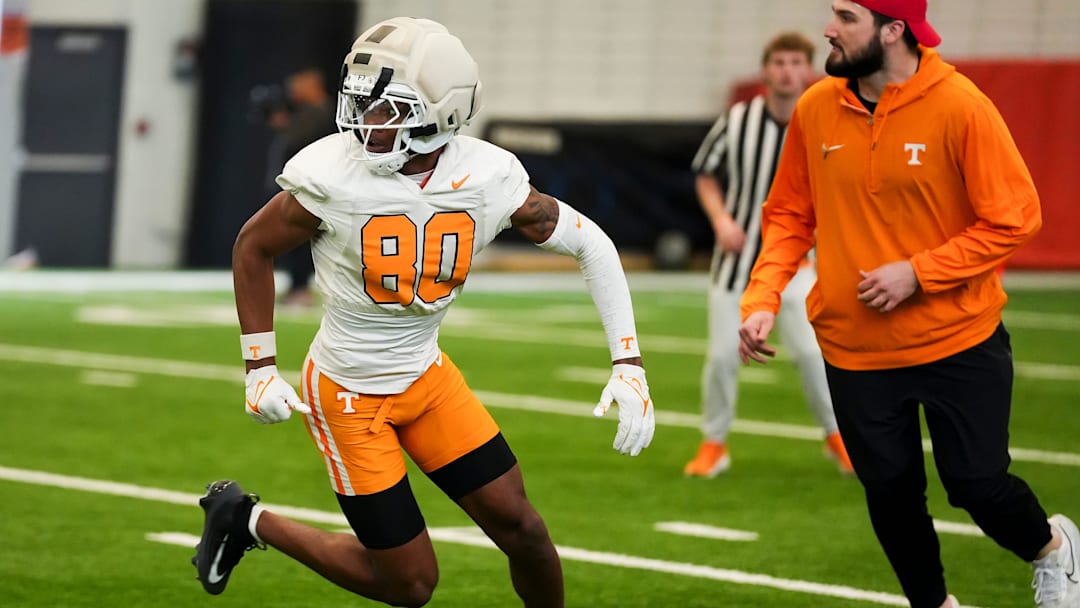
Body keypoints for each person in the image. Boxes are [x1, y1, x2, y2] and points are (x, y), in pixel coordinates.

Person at [192, 17, 655, 608]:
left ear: (443, 113)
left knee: (525, 532)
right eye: (360, 102)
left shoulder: (488, 177)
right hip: (348, 393)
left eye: (386, 108)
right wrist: (259, 367)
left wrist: (628, 362)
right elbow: (252, 246)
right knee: (411, 585)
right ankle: (246, 520)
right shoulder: (330, 174)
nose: (365, 122)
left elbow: (592, 243)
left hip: (427, 379)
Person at [737, 1, 1078, 607]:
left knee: (976, 483)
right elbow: (790, 213)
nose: (828, 29)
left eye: (845, 17)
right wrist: (762, 297)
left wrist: (919, 274)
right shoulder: (817, 108)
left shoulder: (961, 105)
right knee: (890, 491)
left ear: (893, 30)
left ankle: (1053, 549)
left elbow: (1015, 217)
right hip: (853, 348)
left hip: (958, 338)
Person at [684, 31, 852, 478]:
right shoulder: (739, 119)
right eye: (779, 62)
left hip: (797, 261)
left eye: (796, 62)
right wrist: (721, 220)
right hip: (737, 263)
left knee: (815, 353)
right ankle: (713, 444)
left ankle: (837, 437)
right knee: (722, 356)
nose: (787, 71)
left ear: (809, 70)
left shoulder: (823, 118)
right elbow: (704, 172)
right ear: (766, 70)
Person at [263, 68, 337, 307]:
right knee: (292, 240)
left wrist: (283, 122)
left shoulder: (323, 112)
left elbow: (296, 136)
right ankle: (297, 287)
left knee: (302, 240)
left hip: (311, 186)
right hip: (298, 184)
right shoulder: (308, 112)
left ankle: (301, 289)